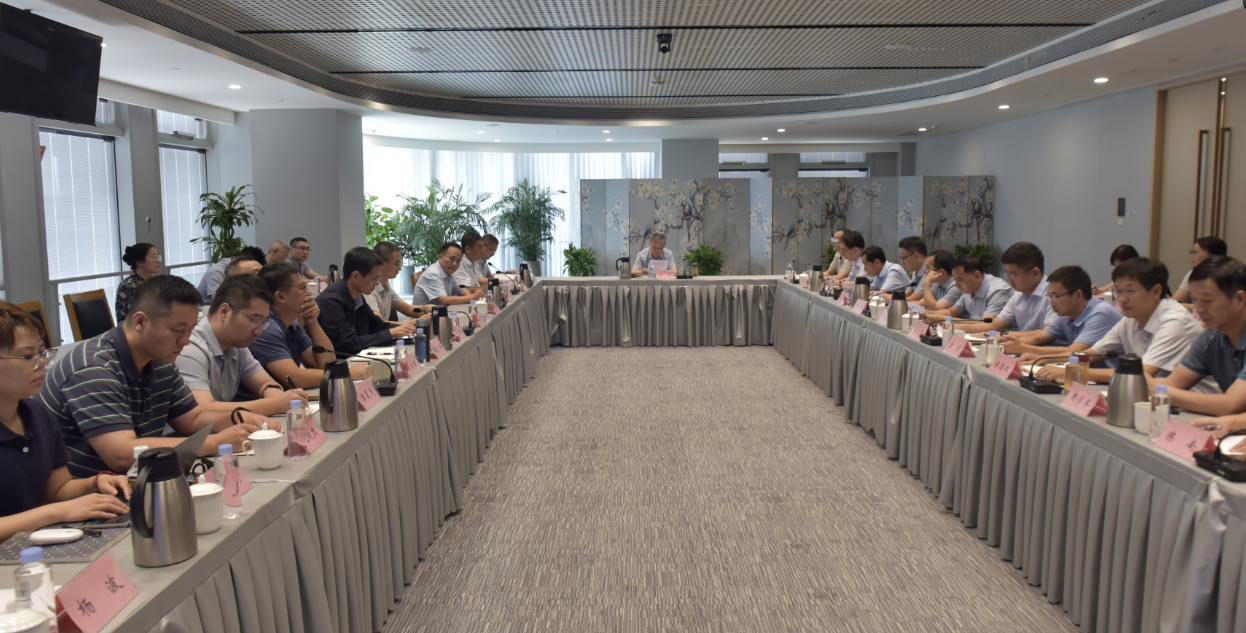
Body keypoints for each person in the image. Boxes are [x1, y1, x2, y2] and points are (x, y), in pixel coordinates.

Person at [40, 275, 273, 477]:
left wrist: (239, 418)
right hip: (87, 495)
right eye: (177, 330)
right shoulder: (93, 368)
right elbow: (121, 454)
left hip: (138, 481)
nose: (185, 341)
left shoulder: (161, 360)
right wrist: (214, 442)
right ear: (140, 322)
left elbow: (192, 419)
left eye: (190, 330)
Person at [0, 303, 131, 542]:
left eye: (42, 353)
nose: (41, 363)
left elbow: (57, 490)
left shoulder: (37, 414)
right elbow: (56, 506)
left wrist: (96, 482)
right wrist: (55, 512)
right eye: (27, 356)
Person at [1035, 258, 1212, 387]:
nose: (1122, 299)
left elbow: (1138, 374)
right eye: (1118, 292)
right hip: (1157, 398)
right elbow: (1091, 354)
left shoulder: (1175, 322)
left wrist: (1072, 372)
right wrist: (1042, 359)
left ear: (1156, 291)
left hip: (1194, 406)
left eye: (1130, 291)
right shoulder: (1131, 319)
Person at [175, 275, 308, 415]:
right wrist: (276, 404)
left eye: (264, 322)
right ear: (224, 311)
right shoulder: (189, 348)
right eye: (255, 320)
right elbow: (202, 409)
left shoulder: (237, 345)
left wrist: (279, 396)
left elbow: (265, 383)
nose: (258, 331)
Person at [1150, 257, 1246, 433]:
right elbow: (1175, 382)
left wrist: (1157, 390)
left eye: (1207, 301)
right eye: (1195, 300)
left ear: (1239, 299)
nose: (1199, 309)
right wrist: (1140, 385)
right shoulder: (1211, 335)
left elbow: (1230, 405)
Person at [251, 263, 367, 389]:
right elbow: (295, 379)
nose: (309, 292)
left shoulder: (292, 324)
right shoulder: (266, 328)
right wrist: (347, 373)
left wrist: (312, 321)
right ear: (280, 296)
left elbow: (325, 363)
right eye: (302, 288)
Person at [1004, 265, 1123, 364]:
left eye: (1056, 296)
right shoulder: (1066, 314)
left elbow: (1074, 352)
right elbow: (1038, 339)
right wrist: (1006, 342)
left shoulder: (1101, 313)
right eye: (1050, 296)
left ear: (1077, 295)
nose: (1052, 303)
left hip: (1108, 380)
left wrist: (1027, 349)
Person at [317, 247, 419, 356]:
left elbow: (377, 325)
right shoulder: (331, 301)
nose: (377, 283)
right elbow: (348, 344)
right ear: (356, 276)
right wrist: (389, 333)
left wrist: (403, 329)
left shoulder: (358, 296)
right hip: (340, 360)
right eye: (375, 279)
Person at [957, 242, 1055, 335]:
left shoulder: (1053, 294)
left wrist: (1003, 335)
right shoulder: (1018, 294)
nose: (1009, 280)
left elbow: (1046, 334)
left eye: (1014, 275)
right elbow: (994, 325)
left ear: (1035, 273)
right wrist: (953, 327)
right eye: (1007, 274)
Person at [927, 253, 1012, 322]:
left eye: (960, 280)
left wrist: (943, 320)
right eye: (955, 280)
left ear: (977, 275)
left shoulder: (999, 290)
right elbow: (951, 312)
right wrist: (927, 314)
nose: (957, 285)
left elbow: (985, 324)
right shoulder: (969, 289)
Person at [367, 241, 433, 322]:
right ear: (382, 264)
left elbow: (408, 309)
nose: (400, 268)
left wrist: (434, 309)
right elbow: (379, 323)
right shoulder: (369, 289)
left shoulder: (386, 288)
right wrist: (417, 321)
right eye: (397, 263)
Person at [413, 242, 487, 306]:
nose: (454, 264)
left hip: (440, 311)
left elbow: (462, 291)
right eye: (452, 258)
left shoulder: (449, 273)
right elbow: (444, 300)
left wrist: (471, 299)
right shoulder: (432, 273)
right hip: (423, 316)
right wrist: (472, 297)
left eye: (458, 261)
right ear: (440, 257)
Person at [197, 246, 265, 304]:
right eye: (255, 273)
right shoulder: (217, 272)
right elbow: (219, 301)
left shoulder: (233, 263)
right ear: (244, 261)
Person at [1173, 236, 1228, 305]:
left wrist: (1182, 306)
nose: (1192, 256)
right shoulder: (1193, 274)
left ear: (1213, 255)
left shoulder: (1225, 276)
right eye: (1192, 252)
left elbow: (1215, 307)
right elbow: (1175, 301)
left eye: (1196, 252)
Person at [116, 243, 161, 322]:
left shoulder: (154, 283)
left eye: (158, 257)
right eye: (153, 257)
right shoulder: (128, 285)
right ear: (139, 262)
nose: (158, 260)